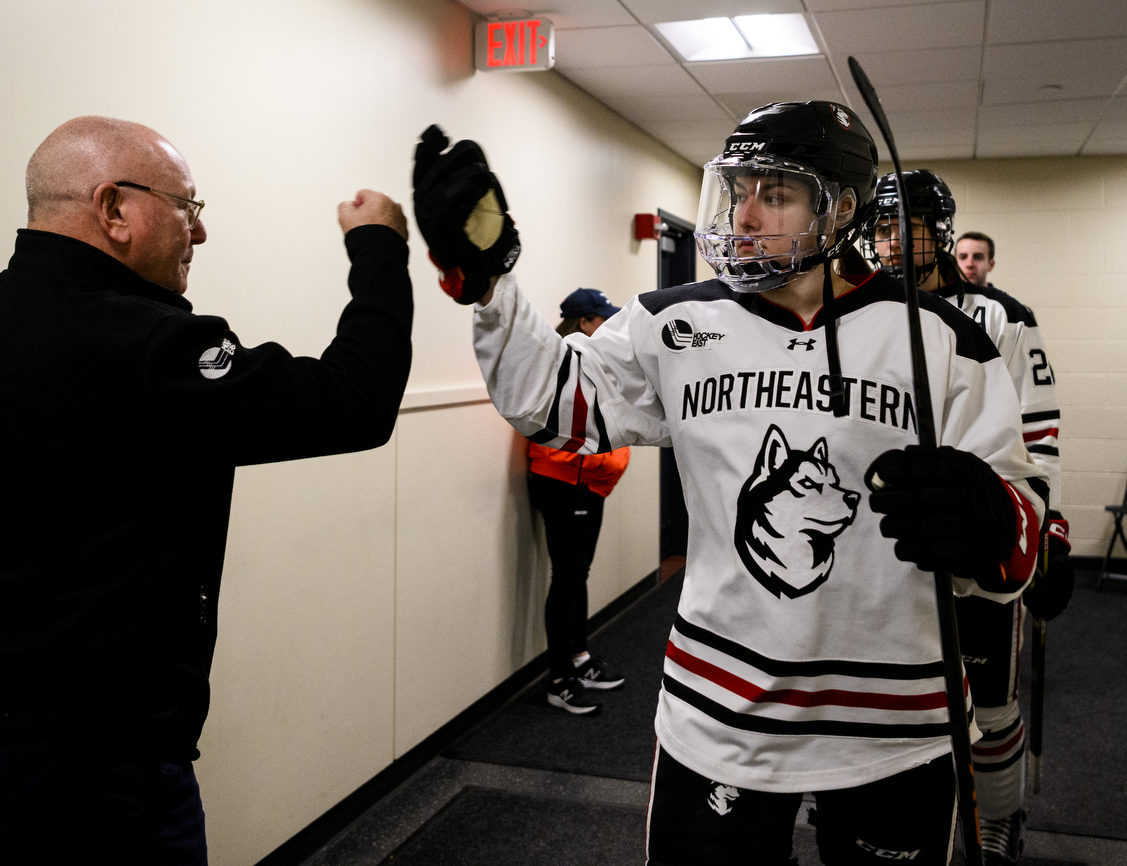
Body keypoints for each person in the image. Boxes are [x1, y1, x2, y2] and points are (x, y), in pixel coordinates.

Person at [411, 111, 1046, 864]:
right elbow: (551, 398)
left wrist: (996, 524)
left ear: (841, 209)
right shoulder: (674, 321)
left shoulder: (944, 340)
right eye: (739, 189)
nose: (743, 214)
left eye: (774, 194)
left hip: (898, 721)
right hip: (721, 710)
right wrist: (491, 284)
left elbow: (1023, 528)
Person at [0, 116, 413, 865]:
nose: (198, 235)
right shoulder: (146, 346)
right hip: (86, 756)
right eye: (188, 208)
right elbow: (354, 402)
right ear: (114, 209)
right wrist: (379, 247)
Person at [861, 171, 1073, 865]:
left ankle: (999, 820)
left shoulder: (1001, 316)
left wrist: (1047, 537)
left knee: (989, 705)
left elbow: (1038, 439)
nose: (894, 241)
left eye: (909, 225)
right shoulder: (856, 312)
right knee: (892, 701)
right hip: (888, 549)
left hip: (976, 546)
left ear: (941, 230)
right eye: (884, 226)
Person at [528, 287, 632, 715]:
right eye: (602, 317)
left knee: (577, 574)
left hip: (589, 481)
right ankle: (559, 679)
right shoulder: (558, 365)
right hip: (565, 480)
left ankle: (579, 657)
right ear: (585, 322)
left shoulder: (593, 361)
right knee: (568, 576)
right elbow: (560, 428)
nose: (608, 324)